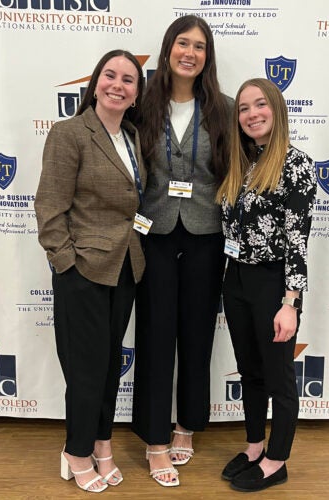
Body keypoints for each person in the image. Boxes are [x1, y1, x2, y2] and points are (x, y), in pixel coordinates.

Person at [34, 50, 146, 493]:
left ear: (137, 94)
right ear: (95, 82)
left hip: (126, 267)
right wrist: (66, 263)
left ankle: (102, 442)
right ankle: (76, 451)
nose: (118, 85)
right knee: (85, 369)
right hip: (83, 270)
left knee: (107, 366)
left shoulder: (134, 138)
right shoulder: (69, 133)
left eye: (128, 80)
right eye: (110, 75)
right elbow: (49, 206)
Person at [131, 15, 233, 487]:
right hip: (152, 231)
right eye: (181, 43)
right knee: (154, 334)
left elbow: (239, 175)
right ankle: (154, 441)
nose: (189, 52)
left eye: (199, 46)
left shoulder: (225, 110)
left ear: (207, 56)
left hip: (205, 232)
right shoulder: (142, 104)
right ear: (168, 48)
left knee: (197, 334)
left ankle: (186, 425)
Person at [216, 78, 316, 492]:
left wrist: (290, 302)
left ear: (276, 109)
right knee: (251, 372)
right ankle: (255, 446)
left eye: (260, 105)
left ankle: (278, 459)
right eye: (243, 108)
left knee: (278, 377)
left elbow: (298, 239)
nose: (252, 114)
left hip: (274, 284)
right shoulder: (243, 162)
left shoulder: (295, 165)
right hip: (235, 279)